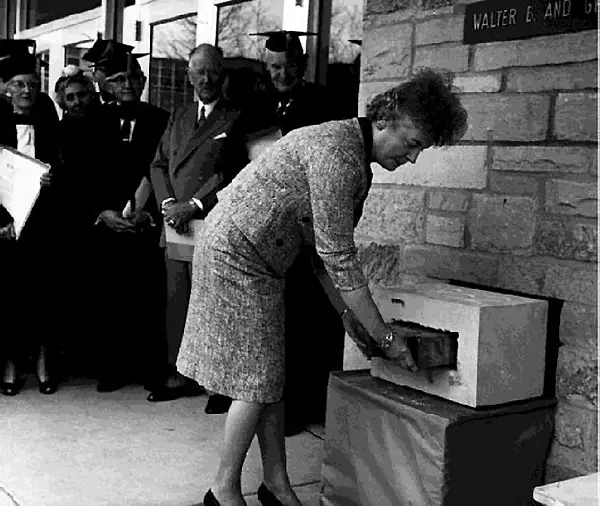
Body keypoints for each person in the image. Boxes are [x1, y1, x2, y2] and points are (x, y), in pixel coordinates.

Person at [176, 68, 468, 506]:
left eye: (420, 150)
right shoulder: (337, 155)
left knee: (269, 378)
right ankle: (222, 491)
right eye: (412, 144)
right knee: (255, 383)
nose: (412, 159)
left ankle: (276, 485)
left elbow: (319, 255)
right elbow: (337, 256)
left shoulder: (357, 162)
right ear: (386, 117)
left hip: (260, 260)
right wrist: (385, 338)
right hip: (235, 255)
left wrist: (352, 318)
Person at [148, 43, 277, 410]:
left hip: (213, 222)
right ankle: (179, 375)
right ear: (189, 76)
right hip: (175, 224)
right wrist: (168, 204)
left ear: (223, 76)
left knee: (215, 305)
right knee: (178, 302)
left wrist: (196, 204)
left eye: (213, 72)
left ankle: (217, 385)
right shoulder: (179, 116)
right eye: (199, 72)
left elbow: (234, 170)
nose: (206, 79)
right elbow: (158, 164)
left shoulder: (236, 117)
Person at [257, 30, 352, 437]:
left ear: (300, 64)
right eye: (273, 67)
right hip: (271, 226)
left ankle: (309, 402)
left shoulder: (322, 102)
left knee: (311, 318)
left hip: (310, 224)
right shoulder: (262, 103)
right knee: (279, 320)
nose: (280, 74)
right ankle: (282, 402)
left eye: (286, 66)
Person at [88, 46, 170, 393]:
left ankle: (148, 368)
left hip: (145, 223)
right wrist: (102, 212)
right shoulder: (94, 120)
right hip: (106, 223)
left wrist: (149, 214)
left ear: (144, 80)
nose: (127, 84)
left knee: (147, 297)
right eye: (119, 79)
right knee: (109, 297)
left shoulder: (162, 119)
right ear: (107, 83)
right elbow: (82, 174)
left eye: (134, 77)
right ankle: (111, 367)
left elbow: (166, 168)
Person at [0, 39, 61, 396]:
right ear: (7, 88)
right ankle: (9, 363)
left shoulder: (48, 120)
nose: (27, 90)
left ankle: (42, 361)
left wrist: (54, 179)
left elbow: (64, 166)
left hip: (43, 222)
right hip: (5, 224)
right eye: (20, 84)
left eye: (33, 85)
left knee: (44, 293)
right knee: (8, 294)